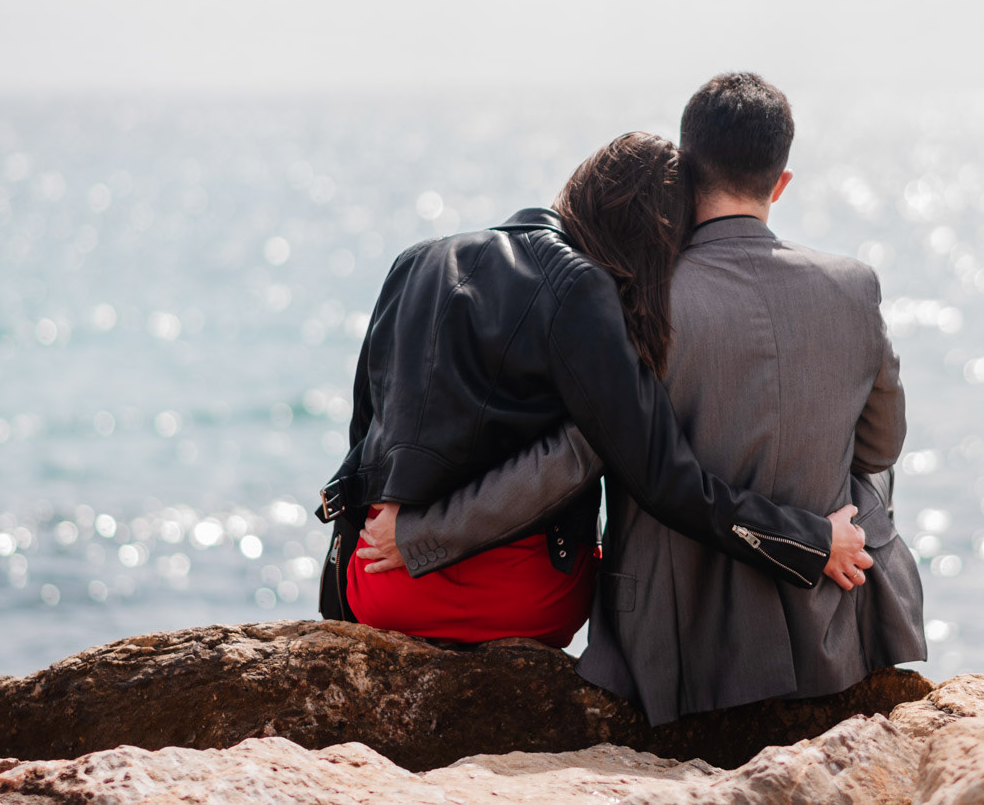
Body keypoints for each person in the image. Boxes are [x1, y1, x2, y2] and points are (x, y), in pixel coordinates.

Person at [361, 73, 924, 723]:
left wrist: (422, 535)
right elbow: (883, 446)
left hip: (678, 642)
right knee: (864, 467)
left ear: (684, 173)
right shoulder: (856, 286)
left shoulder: (641, 305)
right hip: (836, 612)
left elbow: (567, 462)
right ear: (781, 183)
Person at [318, 130, 873, 647]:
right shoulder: (582, 289)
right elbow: (663, 479)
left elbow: (365, 425)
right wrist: (808, 541)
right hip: (518, 599)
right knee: (589, 442)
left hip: (373, 581)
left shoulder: (415, 260)